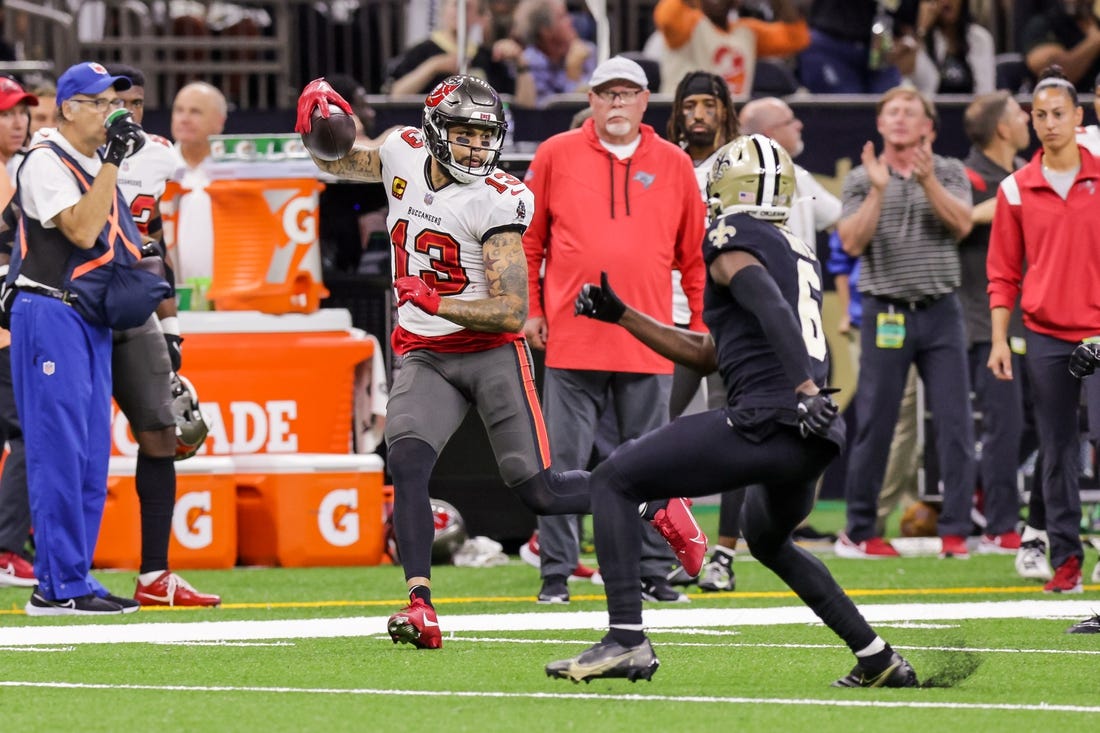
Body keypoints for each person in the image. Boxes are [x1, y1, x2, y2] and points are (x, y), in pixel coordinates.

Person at [295, 74, 704, 648]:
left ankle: (654, 497)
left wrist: (438, 301)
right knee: (406, 463)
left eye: (484, 136)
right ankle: (420, 605)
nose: (475, 148)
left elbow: (511, 311)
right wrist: (317, 130)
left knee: (540, 491)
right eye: (463, 134)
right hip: (427, 353)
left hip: (489, 353)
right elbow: (342, 162)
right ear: (432, 131)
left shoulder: (497, 197)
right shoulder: (401, 151)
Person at [546, 134, 918, 688]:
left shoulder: (731, 235)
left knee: (614, 479)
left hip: (772, 417)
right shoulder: (793, 246)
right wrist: (624, 315)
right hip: (810, 433)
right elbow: (709, 353)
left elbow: (767, 301)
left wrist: (804, 388)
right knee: (766, 540)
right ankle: (878, 657)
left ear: (725, 187)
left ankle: (626, 640)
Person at [522, 56, 707, 605]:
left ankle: (652, 570)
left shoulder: (675, 163)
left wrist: (700, 328)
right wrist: (532, 310)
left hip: (648, 340)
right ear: (592, 100)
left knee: (653, 465)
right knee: (562, 463)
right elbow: (529, 242)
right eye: (607, 93)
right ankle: (557, 573)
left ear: (646, 101)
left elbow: (694, 258)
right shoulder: (555, 153)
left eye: (627, 93)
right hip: (571, 338)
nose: (617, 103)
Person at [7, 61, 160, 615]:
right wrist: (115, 161)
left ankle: (75, 575)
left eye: (114, 102)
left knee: (91, 454)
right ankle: (55, 586)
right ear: (68, 109)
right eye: (98, 103)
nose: (110, 112)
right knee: (59, 452)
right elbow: (80, 228)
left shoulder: (93, 161)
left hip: (88, 316)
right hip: (50, 312)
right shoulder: (43, 160)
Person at [835, 86, 976, 560]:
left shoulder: (949, 170)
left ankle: (955, 532)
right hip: (886, 311)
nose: (898, 119)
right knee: (875, 422)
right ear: (880, 124)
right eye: (891, 112)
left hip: (941, 310)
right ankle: (860, 531)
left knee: (954, 423)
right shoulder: (861, 178)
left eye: (909, 112)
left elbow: (962, 224)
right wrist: (878, 190)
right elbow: (851, 243)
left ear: (928, 127)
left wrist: (928, 180)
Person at [102, 63, 221, 606]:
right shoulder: (63, 152)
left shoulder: (157, 155)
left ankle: (155, 575)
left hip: (132, 310)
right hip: (74, 311)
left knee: (164, 432)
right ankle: (54, 569)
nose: (128, 114)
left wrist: (171, 325)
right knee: (74, 441)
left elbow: (153, 242)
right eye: (116, 103)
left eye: (136, 104)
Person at [988, 66, 1100, 594]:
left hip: (1099, 330)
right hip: (1046, 334)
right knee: (1057, 449)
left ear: (1079, 117)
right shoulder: (1014, 189)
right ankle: (1066, 559)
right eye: (1040, 115)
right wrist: (998, 340)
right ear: (1030, 121)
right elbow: (1003, 273)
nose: (1050, 123)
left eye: (1059, 113)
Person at [666, 70, 742, 592]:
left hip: (731, 315)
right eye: (690, 104)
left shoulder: (742, 162)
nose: (698, 114)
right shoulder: (663, 163)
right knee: (651, 433)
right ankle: (668, 546)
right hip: (672, 315)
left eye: (708, 105)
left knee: (736, 435)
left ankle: (725, 556)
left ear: (724, 110)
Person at [958, 91, 1030, 556]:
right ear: (1002, 129)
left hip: (1034, 318)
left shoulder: (1026, 172)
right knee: (1004, 423)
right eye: (1021, 115)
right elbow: (956, 221)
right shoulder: (965, 176)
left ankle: (988, 493)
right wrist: (1012, 197)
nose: (1028, 121)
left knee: (1040, 423)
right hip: (985, 323)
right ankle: (1000, 524)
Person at [0, 76, 36, 588]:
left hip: (14, 327)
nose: (18, 122)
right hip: (5, 333)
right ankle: (7, 548)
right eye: (6, 113)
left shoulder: (19, 167)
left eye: (21, 112)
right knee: (29, 435)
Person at [384, 0, 535, 108]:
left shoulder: (488, 57)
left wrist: (520, 62)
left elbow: (527, 105)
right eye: (456, 5)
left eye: (467, 8)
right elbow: (396, 95)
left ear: (479, 16)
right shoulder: (421, 52)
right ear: (444, 10)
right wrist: (433, 67)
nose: (460, 13)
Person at [653, 0, 810, 96]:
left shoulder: (747, 32)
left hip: (731, 119)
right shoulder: (687, 23)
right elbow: (667, 19)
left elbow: (796, 37)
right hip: (683, 115)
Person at [169, 81, 227, 288]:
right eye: (179, 110)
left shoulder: (234, 172)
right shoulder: (155, 167)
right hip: (168, 294)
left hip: (224, 291)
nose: (184, 119)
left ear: (219, 122)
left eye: (195, 112)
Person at [798, 0, 921, 94]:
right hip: (831, 44)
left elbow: (911, 16)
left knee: (888, 106)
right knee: (845, 110)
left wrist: (909, 40)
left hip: (882, 48)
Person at [512, 0, 596, 105]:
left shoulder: (586, 51)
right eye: (562, 17)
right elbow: (546, 111)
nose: (571, 20)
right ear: (546, 31)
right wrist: (573, 75)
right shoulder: (529, 63)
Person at [909, 0, 995, 96]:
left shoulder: (979, 38)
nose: (946, 1)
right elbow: (917, 86)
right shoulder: (922, 40)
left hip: (972, 104)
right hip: (931, 105)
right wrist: (922, 31)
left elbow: (986, 91)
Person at [1021, 0, 1100, 93]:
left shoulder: (1096, 24)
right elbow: (1056, 74)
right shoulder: (1043, 24)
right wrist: (1094, 42)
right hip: (1054, 98)